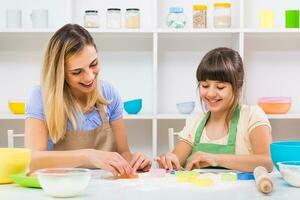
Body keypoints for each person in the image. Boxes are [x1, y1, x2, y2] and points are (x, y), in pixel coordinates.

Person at [25, 24, 151, 176]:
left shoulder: (108, 93)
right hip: (62, 188)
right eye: (77, 72)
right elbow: (33, 160)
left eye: (94, 64)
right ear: (60, 74)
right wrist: (87, 156)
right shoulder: (41, 97)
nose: (90, 77)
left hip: (107, 188)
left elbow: (123, 153)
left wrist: (137, 161)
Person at [156, 47, 273, 172]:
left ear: (237, 86)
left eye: (220, 87)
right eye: (205, 86)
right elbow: (176, 159)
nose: (211, 93)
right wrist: (168, 159)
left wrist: (216, 159)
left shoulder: (251, 116)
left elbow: (267, 162)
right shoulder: (195, 121)